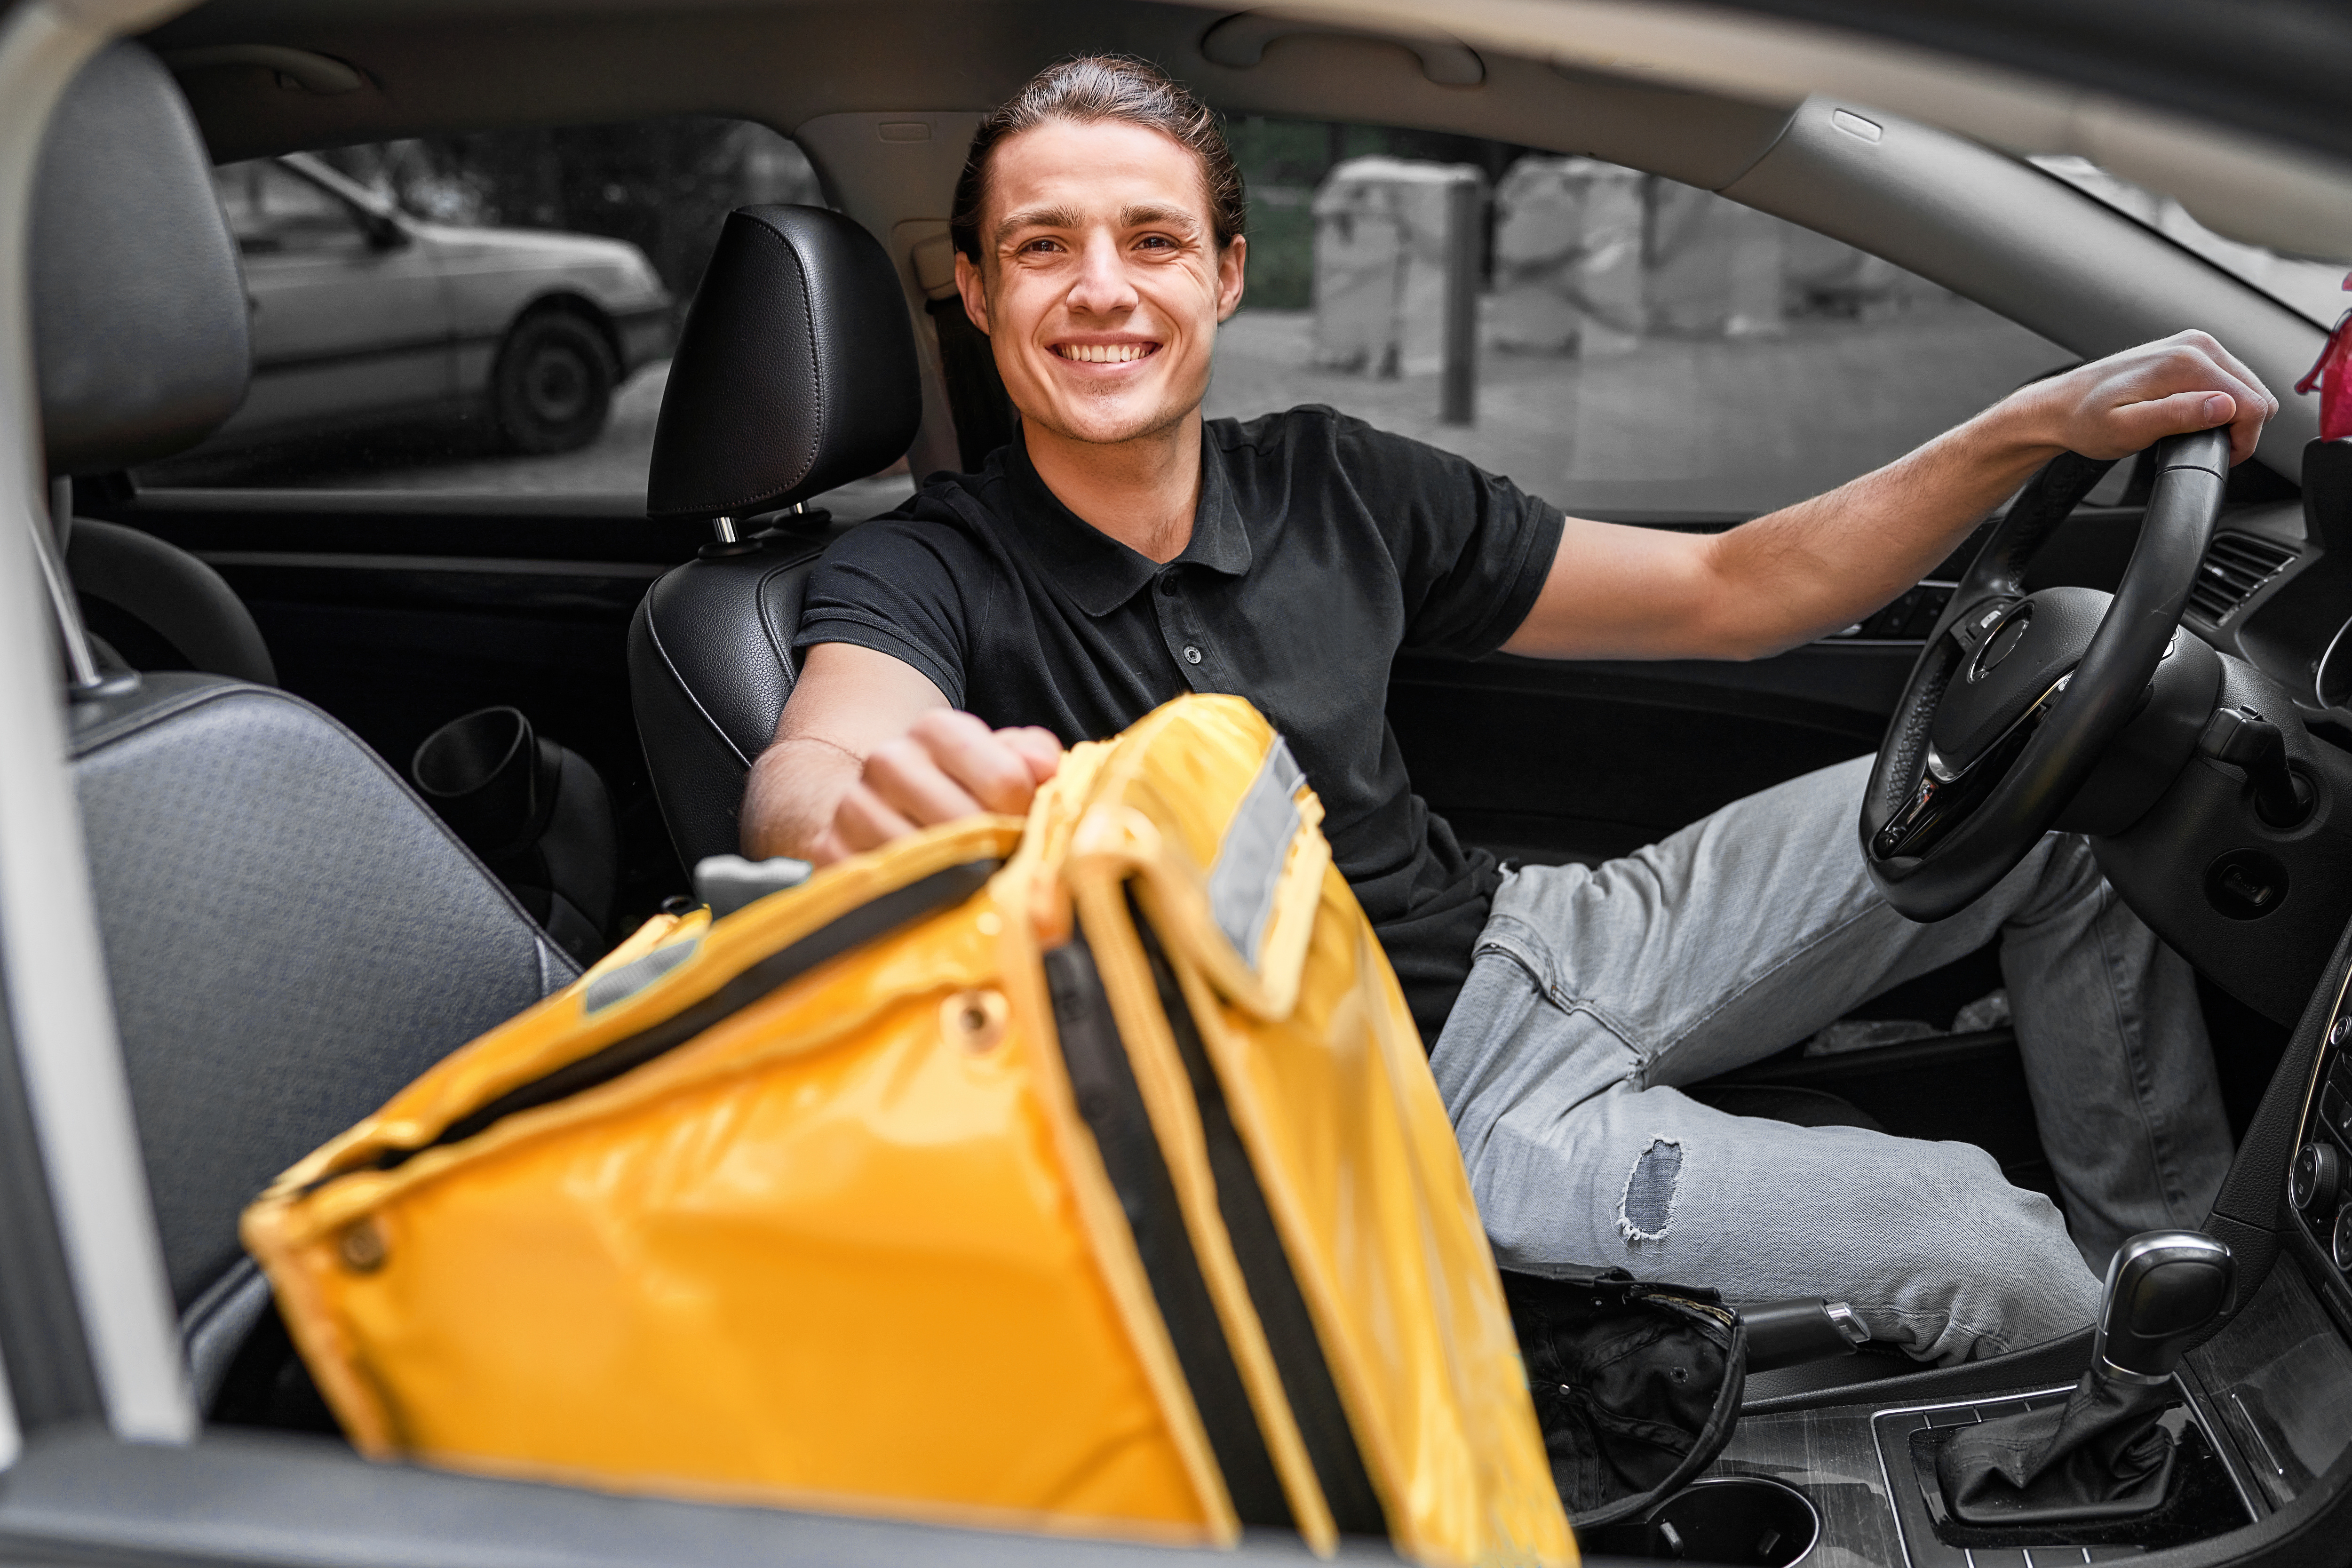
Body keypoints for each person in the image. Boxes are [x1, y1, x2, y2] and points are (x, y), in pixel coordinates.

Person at [740, 55, 2272, 1364]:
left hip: (1552, 933)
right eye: (1042, 247)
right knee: (1976, 1244)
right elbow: (818, 764)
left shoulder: (1331, 480)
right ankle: (2167, 1438)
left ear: (1226, 273)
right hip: (1396, 1115)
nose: (1101, 290)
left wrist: (2026, 427)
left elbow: (1733, 590)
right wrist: (863, 815)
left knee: (2062, 788)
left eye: (1151, 239)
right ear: (976, 287)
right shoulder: (922, 566)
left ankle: (2190, 1292)